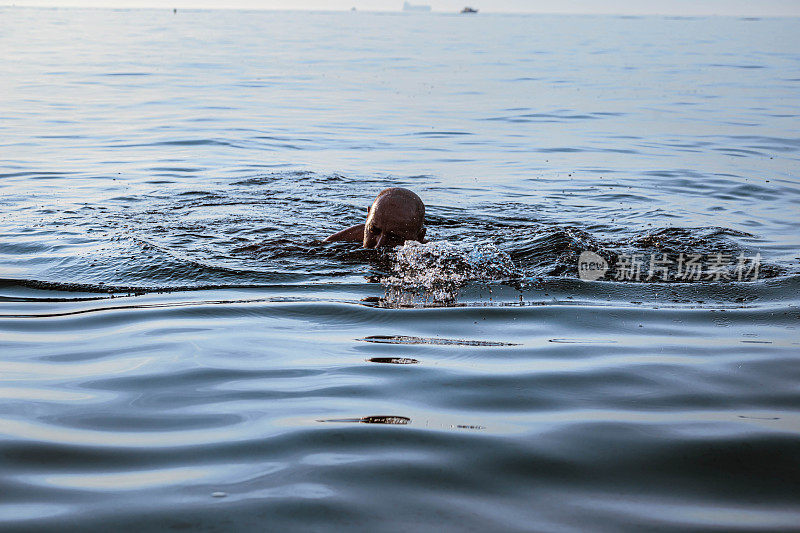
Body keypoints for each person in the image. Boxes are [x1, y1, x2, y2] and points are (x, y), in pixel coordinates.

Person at [324, 187, 427, 248]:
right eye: (374, 230)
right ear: (367, 217)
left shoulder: (432, 255)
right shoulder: (337, 243)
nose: (379, 245)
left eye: (394, 237)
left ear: (419, 237)